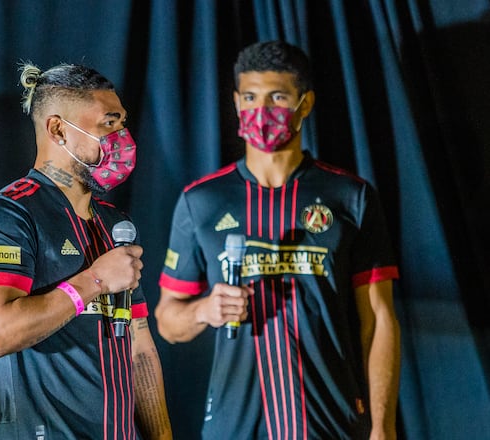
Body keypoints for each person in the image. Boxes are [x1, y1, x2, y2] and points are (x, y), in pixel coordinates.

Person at [155, 40, 401, 439]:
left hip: (331, 422)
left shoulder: (350, 196)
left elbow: (379, 321)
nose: (261, 111)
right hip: (235, 425)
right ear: (236, 103)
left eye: (277, 97)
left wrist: (383, 427)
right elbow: (167, 321)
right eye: (250, 97)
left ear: (304, 104)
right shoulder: (201, 200)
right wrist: (205, 311)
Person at [0, 63, 173, 439]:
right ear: (58, 129)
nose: (122, 136)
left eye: (122, 123)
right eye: (108, 123)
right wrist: (94, 280)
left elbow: (139, 348)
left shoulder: (115, 223)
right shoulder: (7, 214)